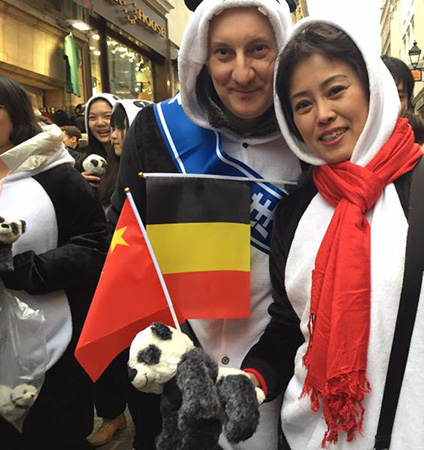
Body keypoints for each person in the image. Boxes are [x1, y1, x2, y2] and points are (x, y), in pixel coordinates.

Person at [240, 19, 424, 449]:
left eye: (336, 90)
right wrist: (254, 376)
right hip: (310, 436)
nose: (323, 114)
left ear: (371, 88)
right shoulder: (296, 211)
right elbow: (291, 324)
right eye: (302, 104)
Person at [107, 1, 301, 449]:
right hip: (180, 361)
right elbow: (125, 249)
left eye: (259, 49)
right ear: (200, 56)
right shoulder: (157, 131)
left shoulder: (306, 135)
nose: (242, 72)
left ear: (283, 50)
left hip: (281, 366)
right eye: (223, 53)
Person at [0, 75, 108, 449]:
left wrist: (32, 270)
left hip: (53, 341)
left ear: (13, 111)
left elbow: (95, 241)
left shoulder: (55, 172)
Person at [87, 99, 152, 447]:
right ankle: (116, 415)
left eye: (118, 125)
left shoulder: (151, 177)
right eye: (102, 123)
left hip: (143, 293)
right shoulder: (104, 170)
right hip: (112, 285)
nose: (111, 133)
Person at [81, 93, 119, 185]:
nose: (100, 123)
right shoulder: (82, 162)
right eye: (92, 118)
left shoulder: (133, 162)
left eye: (108, 116)